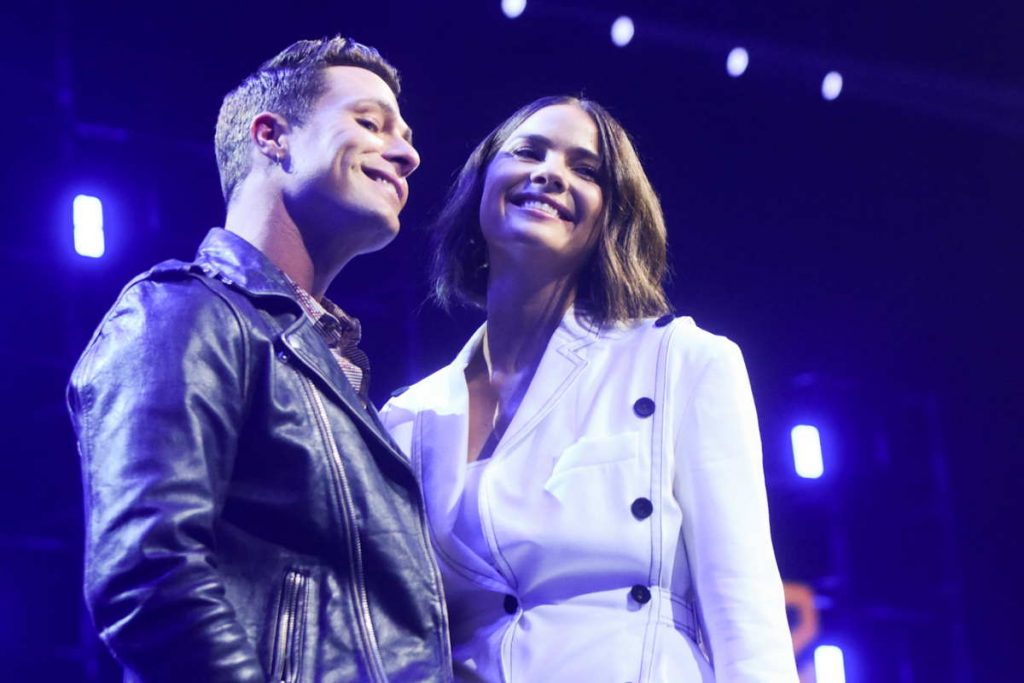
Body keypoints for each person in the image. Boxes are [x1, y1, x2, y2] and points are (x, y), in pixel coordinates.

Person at [67, 36, 452, 682]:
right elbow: (149, 573)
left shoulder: (335, 369)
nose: (408, 154)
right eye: (369, 122)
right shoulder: (182, 312)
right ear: (272, 135)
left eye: (405, 134)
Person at [380, 96, 798, 682]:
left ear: (611, 216)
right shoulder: (406, 419)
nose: (550, 173)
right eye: (528, 151)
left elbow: (746, 608)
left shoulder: (681, 362)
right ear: (482, 184)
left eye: (586, 169)